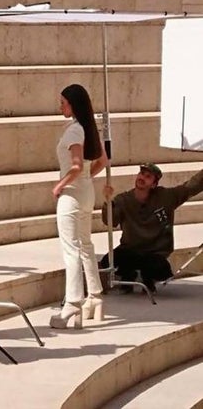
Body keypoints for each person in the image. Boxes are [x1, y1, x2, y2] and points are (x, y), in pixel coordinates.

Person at [51, 84, 108, 329]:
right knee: (85, 244)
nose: (60, 106)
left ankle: (73, 302)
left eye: (63, 102)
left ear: (73, 104)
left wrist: (60, 185)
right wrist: (86, 177)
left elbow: (74, 166)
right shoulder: (88, 128)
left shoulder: (75, 131)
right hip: (86, 191)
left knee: (71, 248)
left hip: (73, 195)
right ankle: (94, 296)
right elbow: (102, 161)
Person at [100, 163, 203, 293]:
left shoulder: (165, 197)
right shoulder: (123, 200)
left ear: (154, 184)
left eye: (148, 176)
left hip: (154, 253)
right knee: (108, 261)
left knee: (159, 268)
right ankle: (128, 276)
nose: (142, 177)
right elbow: (110, 222)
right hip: (130, 249)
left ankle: (148, 280)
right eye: (141, 173)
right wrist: (107, 202)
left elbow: (190, 187)